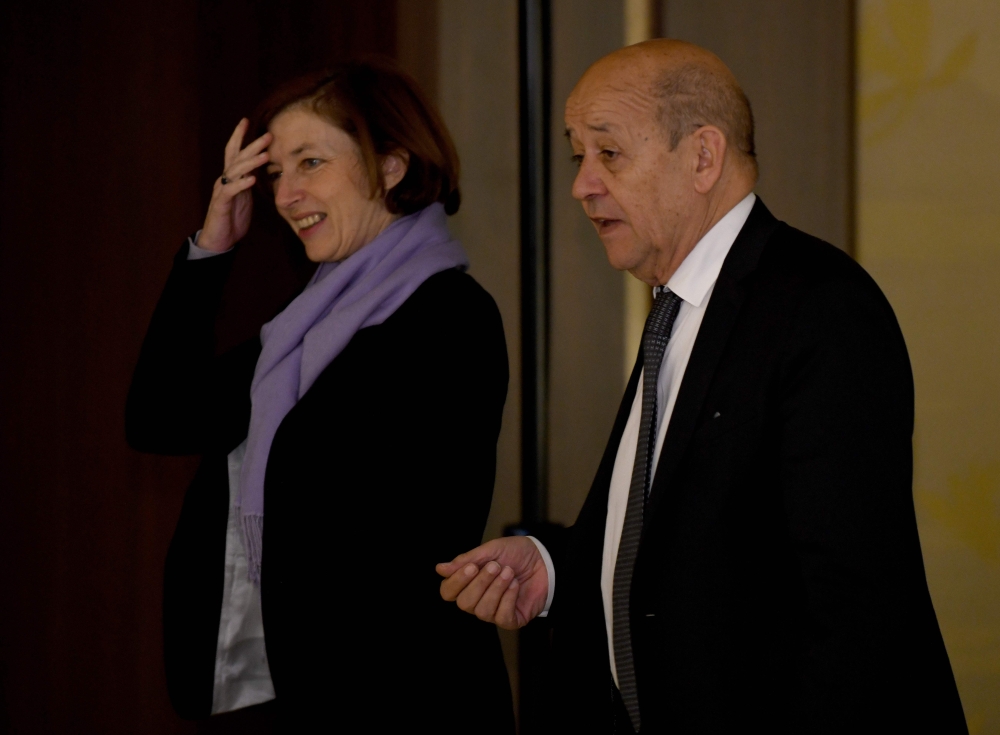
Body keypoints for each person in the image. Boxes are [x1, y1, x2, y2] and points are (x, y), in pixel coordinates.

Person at [437, 39, 967, 733]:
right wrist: (554, 568)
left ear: (703, 157)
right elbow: (688, 542)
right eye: (578, 156)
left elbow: (851, 604)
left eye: (609, 153)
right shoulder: (678, 310)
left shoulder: (822, 309)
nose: (581, 185)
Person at [126, 59, 514, 733]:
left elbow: (404, 539)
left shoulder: (449, 316)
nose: (284, 195)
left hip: (394, 698)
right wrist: (213, 245)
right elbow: (160, 415)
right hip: (284, 692)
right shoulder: (304, 328)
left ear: (391, 166)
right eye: (277, 172)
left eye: (311, 163)